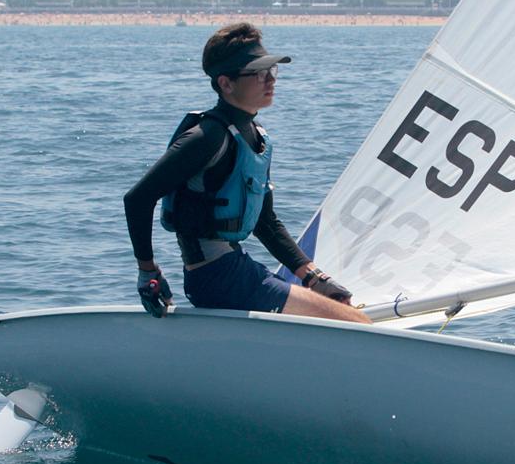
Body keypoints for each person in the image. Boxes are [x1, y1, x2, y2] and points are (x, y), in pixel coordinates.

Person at [123, 23, 371, 324]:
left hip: (237, 269)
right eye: (258, 73)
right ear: (226, 84)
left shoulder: (257, 137)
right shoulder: (207, 137)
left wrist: (314, 277)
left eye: (272, 71)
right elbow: (138, 198)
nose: (270, 80)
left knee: (342, 311)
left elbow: (266, 223)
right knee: (355, 322)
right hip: (217, 278)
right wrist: (147, 271)